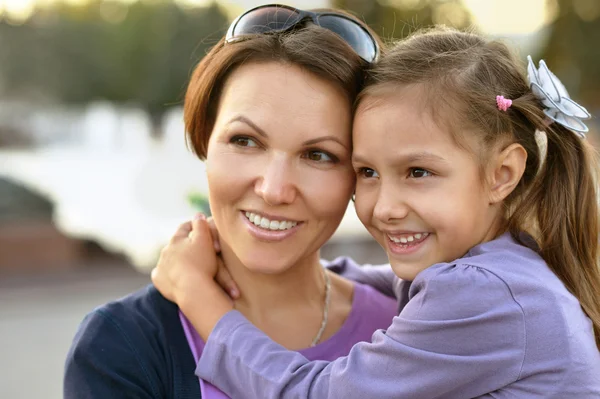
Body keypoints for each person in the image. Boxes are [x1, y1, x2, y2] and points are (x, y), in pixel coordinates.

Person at [152, 26, 600, 398]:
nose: (384, 207)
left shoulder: (485, 296)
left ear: (502, 173)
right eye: (366, 171)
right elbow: (399, 283)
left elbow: (313, 394)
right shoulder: (512, 266)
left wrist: (197, 294)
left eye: (418, 172)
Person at [63, 5, 399, 399]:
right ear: (206, 139)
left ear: (361, 172)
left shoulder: (412, 325)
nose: (274, 190)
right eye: (245, 141)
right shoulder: (123, 345)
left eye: (319, 155)